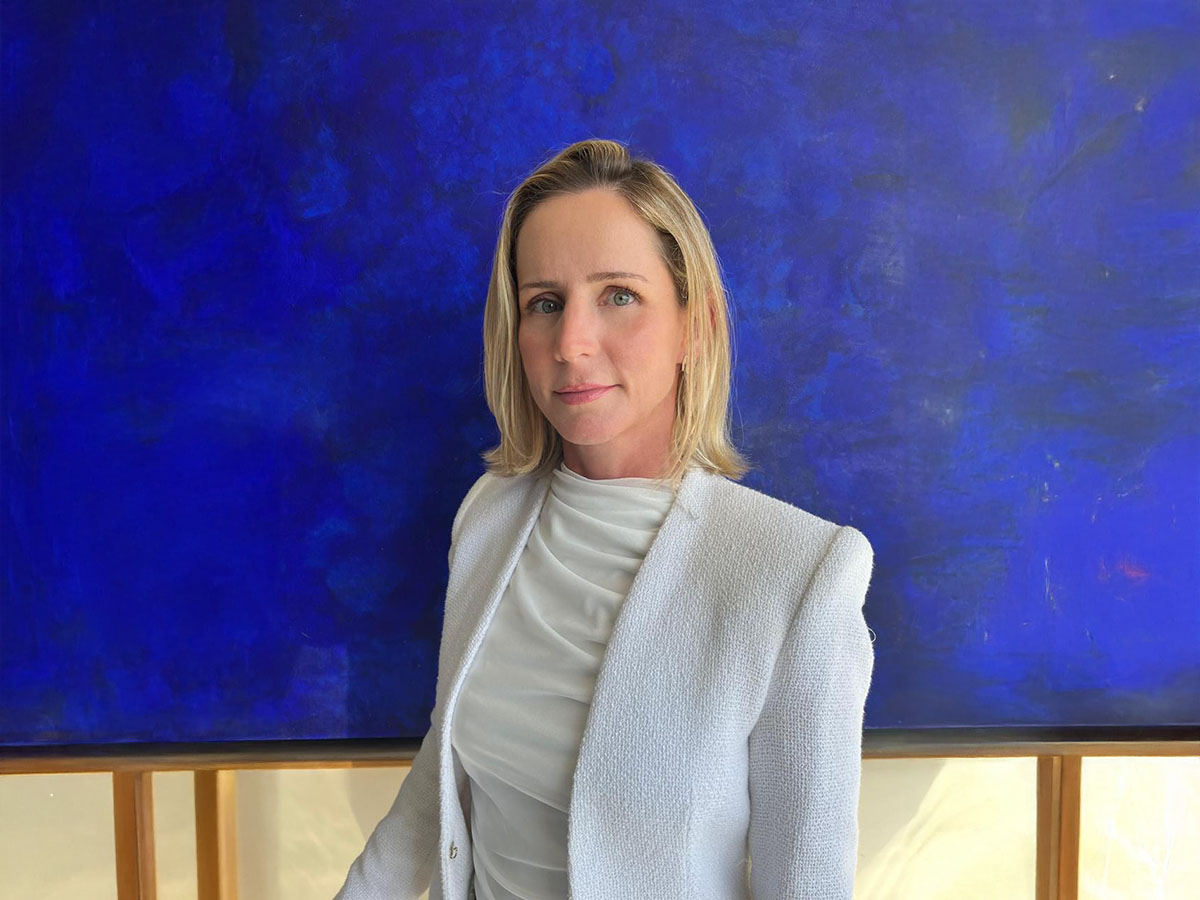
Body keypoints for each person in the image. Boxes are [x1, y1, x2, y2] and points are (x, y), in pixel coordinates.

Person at [333, 138, 876, 900]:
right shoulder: (488, 515)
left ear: (696, 325)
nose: (571, 343)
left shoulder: (798, 576)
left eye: (618, 295)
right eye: (544, 303)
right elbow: (444, 765)